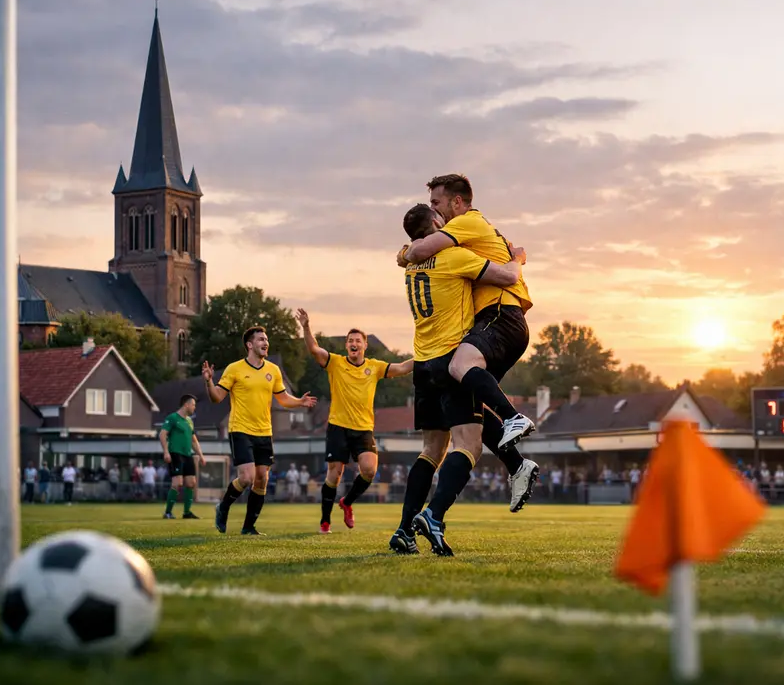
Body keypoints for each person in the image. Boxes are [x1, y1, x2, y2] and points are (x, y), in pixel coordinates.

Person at [398, 173, 540, 511]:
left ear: (456, 203)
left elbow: (423, 248)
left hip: (496, 316)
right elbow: (422, 249)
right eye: (432, 206)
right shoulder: (456, 249)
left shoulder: (464, 227)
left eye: (438, 202)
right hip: (482, 324)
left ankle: (513, 420)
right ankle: (518, 464)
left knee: (462, 375)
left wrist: (406, 252)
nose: (437, 209)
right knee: (473, 403)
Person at [295, 309, 414, 534]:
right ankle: (325, 521)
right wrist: (306, 326)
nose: (353, 343)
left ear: (365, 345)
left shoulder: (375, 367)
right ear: (346, 346)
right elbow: (313, 349)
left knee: (369, 470)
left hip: (363, 429)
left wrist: (425, 356)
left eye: (358, 340)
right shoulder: (336, 363)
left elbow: (401, 368)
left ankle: (347, 502)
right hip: (338, 426)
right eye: (350, 340)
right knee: (335, 473)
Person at [203, 326, 318, 535]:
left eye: (266, 339)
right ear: (249, 344)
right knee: (246, 477)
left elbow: (283, 398)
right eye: (260, 339)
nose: (265, 343)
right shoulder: (234, 369)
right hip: (240, 429)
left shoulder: (273, 370)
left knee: (262, 479)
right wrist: (209, 381)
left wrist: (299, 401)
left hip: (264, 432)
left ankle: (248, 528)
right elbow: (217, 397)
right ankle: (223, 507)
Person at [159, 393, 207, 519]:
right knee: (177, 483)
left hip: (187, 455)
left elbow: (194, 440)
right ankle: (168, 512)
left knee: (191, 482)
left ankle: (187, 512)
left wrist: (201, 455)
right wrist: (166, 451)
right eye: (193, 405)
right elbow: (162, 434)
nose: (194, 408)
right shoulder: (173, 418)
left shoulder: (190, 421)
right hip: (175, 454)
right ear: (186, 405)